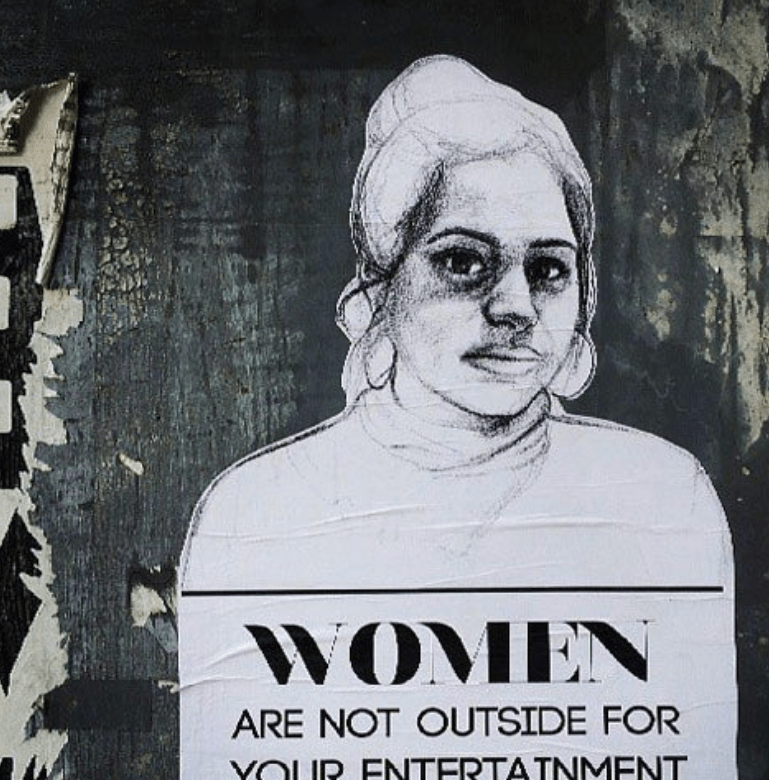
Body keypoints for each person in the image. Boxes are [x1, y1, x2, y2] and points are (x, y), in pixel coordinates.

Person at [179, 55, 732, 593]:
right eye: (464, 262)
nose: (516, 308)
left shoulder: (662, 500)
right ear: (383, 286)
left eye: (547, 269)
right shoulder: (258, 513)